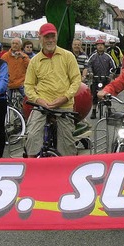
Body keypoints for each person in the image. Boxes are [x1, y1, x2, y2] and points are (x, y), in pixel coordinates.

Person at [24, 23, 82, 157]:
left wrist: (65, 97)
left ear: (56, 37)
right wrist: (39, 100)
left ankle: (68, 170)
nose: (50, 40)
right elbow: (28, 85)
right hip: (41, 105)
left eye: (53, 36)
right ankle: (32, 167)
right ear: (40, 38)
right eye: (46, 37)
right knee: (32, 136)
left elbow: (76, 80)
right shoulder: (35, 61)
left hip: (63, 105)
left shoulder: (68, 56)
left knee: (67, 144)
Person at [86, 38, 116, 117]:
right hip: (95, 78)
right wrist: (90, 72)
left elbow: (113, 67)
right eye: (98, 45)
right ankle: (94, 110)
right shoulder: (93, 56)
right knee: (94, 95)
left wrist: (110, 74)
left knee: (108, 95)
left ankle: (109, 110)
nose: (100, 47)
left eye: (101, 45)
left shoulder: (108, 56)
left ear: (104, 46)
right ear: (96, 46)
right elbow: (88, 65)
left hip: (105, 79)